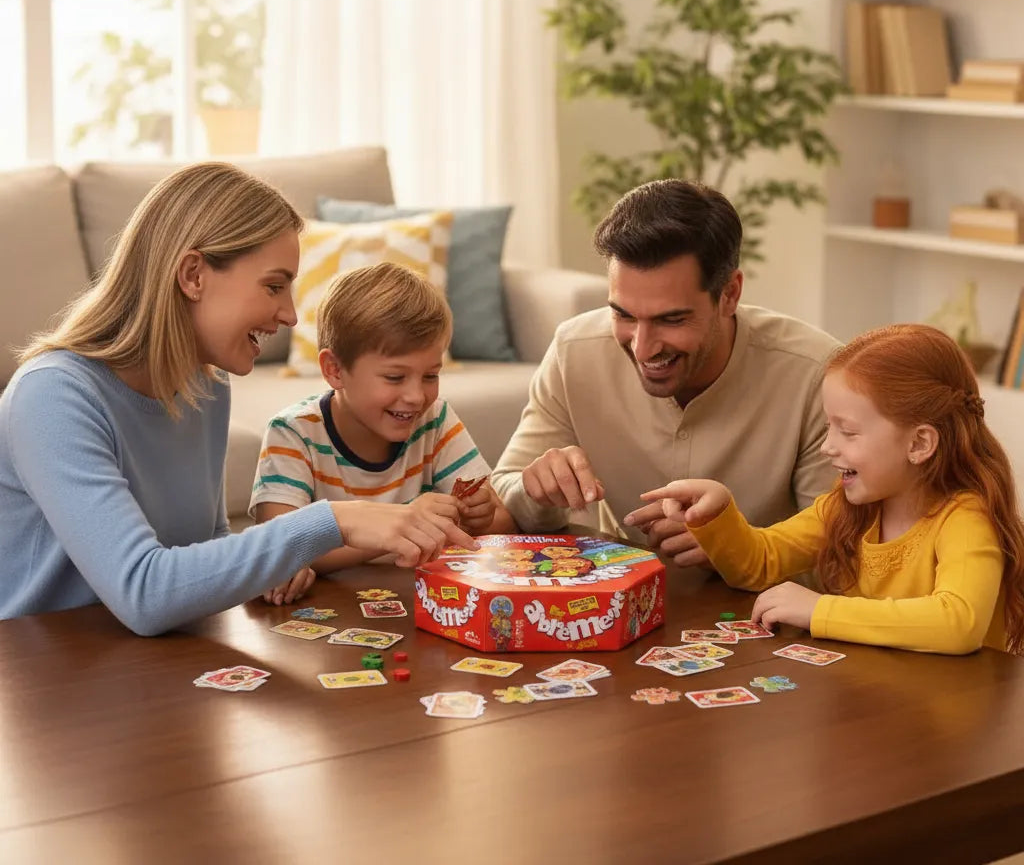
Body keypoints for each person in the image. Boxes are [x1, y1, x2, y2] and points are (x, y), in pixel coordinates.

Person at [0, 164, 476, 635]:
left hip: (156, 662)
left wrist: (276, 564)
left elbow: (206, 544)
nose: (290, 315)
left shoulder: (204, 385)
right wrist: (335, 520)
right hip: (45, 672)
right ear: (193, 275)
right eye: (274, 285)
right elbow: (143, 591)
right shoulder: (54, 396)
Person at [490, 178, 840, 566]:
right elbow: (503, 494)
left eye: (671, 319)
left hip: (764, 615)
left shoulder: (817, 374)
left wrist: (741, 547)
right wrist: (536, 491)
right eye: (623, 314)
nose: (642, 347)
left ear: (730, 295)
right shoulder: (573, 351)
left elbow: (845, 548)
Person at [640, 324, 1024, 655]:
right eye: (829, 427)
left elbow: (958, 624)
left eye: (849, 431)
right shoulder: (847, 509)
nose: (827, 446)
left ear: (920, 444)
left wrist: (819, 610)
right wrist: (718, 511)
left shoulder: (967, 517)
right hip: (880, 707)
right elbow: (759, 563)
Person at [251, 261, 515, 600]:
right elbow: (276, 551)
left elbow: (504, 525)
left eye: (431, 376)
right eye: (394, 377)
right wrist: (397, 527)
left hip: (416, 606)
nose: (416, 396)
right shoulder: (293, 435)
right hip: (331, 616)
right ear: (335, 370)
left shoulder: (435, 420)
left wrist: (482, 517)